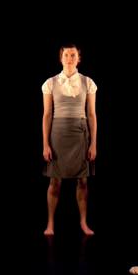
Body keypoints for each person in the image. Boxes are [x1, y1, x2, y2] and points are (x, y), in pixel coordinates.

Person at [42, 45, 97, 236]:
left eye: (73, 55)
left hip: (80, 134)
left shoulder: (88, 82)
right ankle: (50, 223)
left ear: (78, 58)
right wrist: (45, 144)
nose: (69, 58)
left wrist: (94, 143)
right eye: (66, 54)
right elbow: (47, 115)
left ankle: (83, 222)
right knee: (54, 181)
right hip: (58, 134)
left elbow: (92, 114)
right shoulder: (50, 83)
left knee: (83, 181)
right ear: (61, 58)